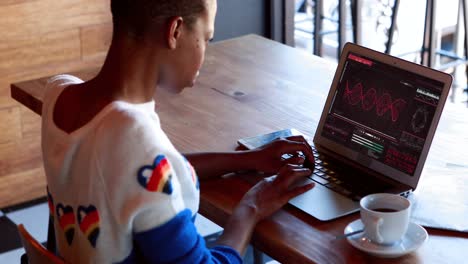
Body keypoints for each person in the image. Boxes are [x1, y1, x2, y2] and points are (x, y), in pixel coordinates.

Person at [42, 0, 315, 263]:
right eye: (206, 38)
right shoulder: (137, 140)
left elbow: (143, 173)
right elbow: (145, 161)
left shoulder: (58, 94)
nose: (205, 51)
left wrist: (248, 159)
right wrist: (250, 208)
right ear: (175, 32)